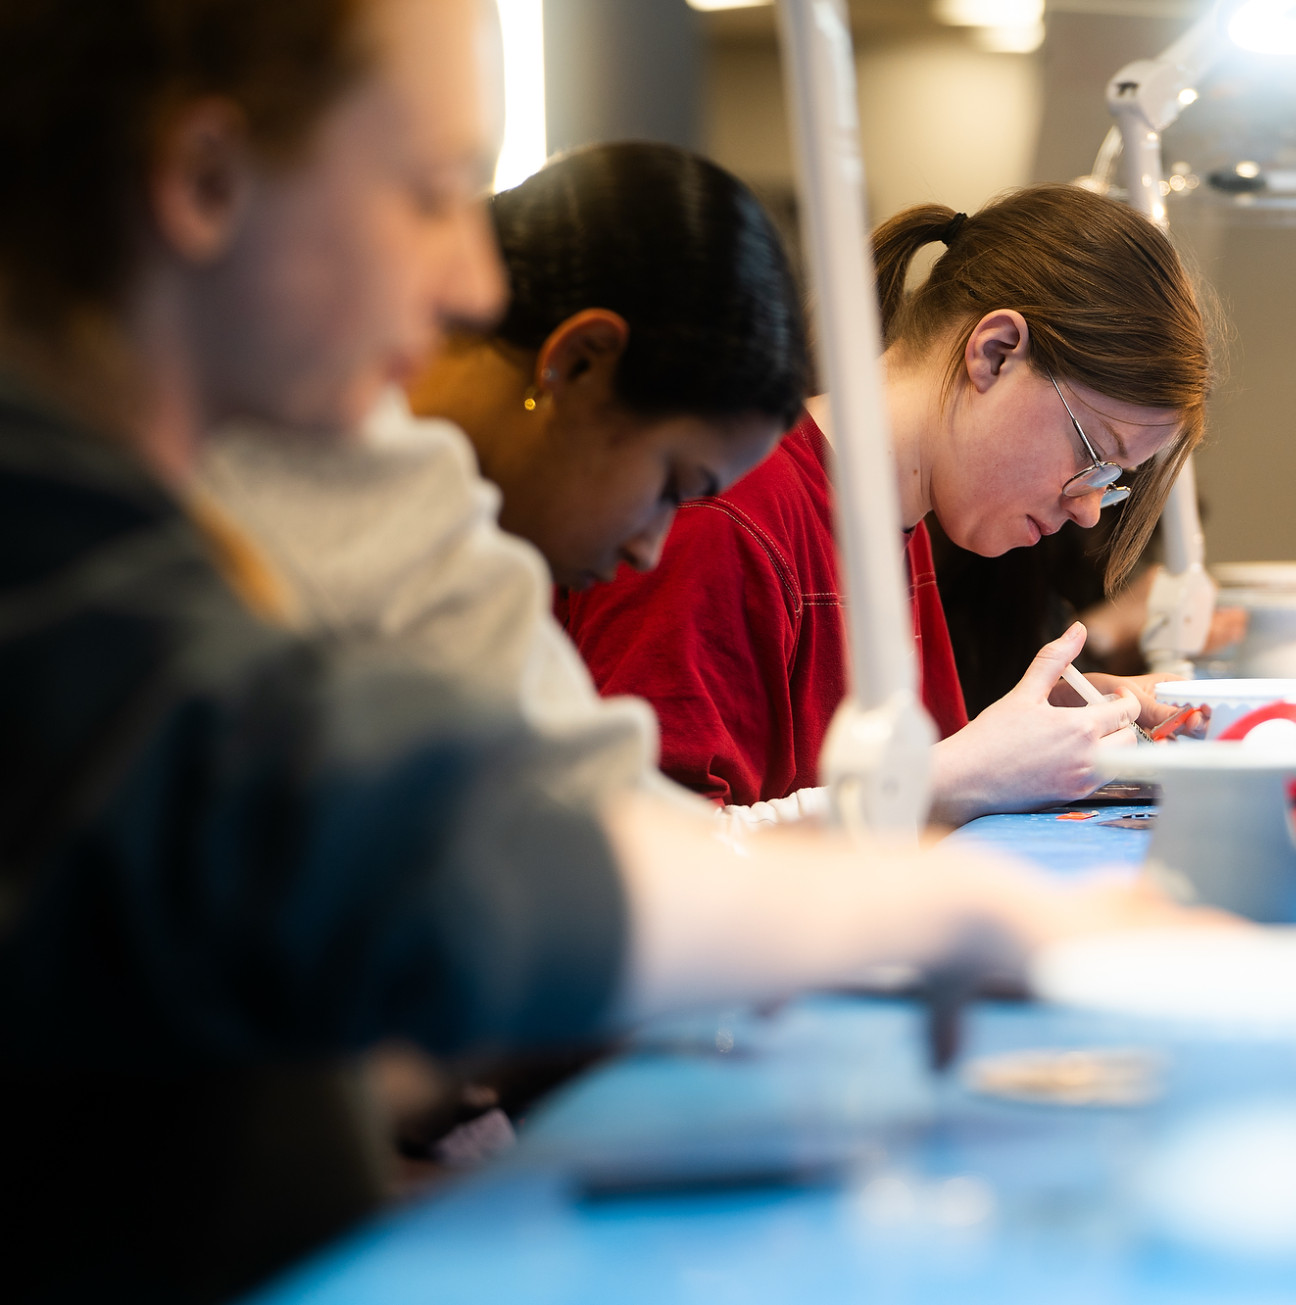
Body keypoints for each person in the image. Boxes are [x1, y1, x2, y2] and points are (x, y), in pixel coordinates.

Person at [0, 3, 1190, 1299]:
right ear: (206, 181)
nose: (470, 278)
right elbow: (405, 845)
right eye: (432, 189)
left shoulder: (203, 491)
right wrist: (950, 903)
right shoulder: (56, 558)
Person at [198, 140, 810, 827]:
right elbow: (623, 833)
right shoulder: (394, 521)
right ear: (578, 363)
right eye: (671, 485)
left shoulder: (343, 449)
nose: (649, 547)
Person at [561, 186, 1215, 825]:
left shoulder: (893, 527)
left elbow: (877, 790)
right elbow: (644, 866)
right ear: (995, 353)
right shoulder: (728, 521)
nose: (1088, 511)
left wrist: (1061, 729)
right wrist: (955, 776)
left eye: (1113, 480)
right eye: (1092, 456)